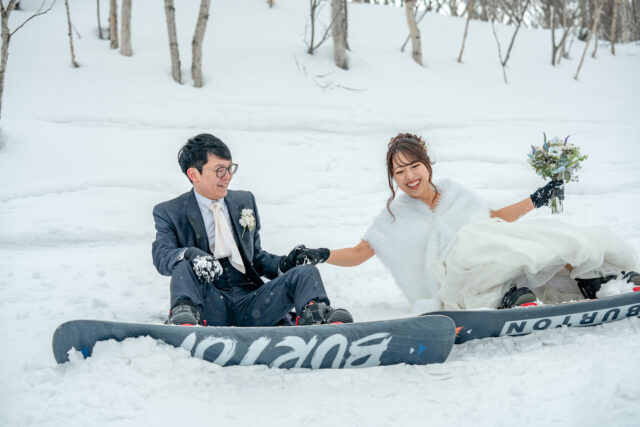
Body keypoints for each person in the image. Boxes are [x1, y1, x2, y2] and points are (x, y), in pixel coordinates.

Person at [321, 133, 639, 312]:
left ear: (428, 165)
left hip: (488, 255)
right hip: (454, 281)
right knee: (471, 243)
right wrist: (321, 255)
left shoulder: (454, 193)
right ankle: (509, 295)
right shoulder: (395, 214)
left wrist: (536, 199)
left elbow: (495, 219)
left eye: (413, 166)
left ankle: (592, 279)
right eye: (399, 172)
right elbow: (359, 253)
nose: (409, 176)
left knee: (537, 235)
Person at [152, 133, 352, 326]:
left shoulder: (244, 201)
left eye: (230, 168)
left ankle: (317, 317)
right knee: (183, 264)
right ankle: (185, 321)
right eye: (220, 170)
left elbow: (256, 257)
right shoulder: (170, 212)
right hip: (210, 304)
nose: (228, 176)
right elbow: (163, 256)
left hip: (253, 304)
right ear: (194, 174)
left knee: (305, 272)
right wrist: (191, 254)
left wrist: (287, 263)